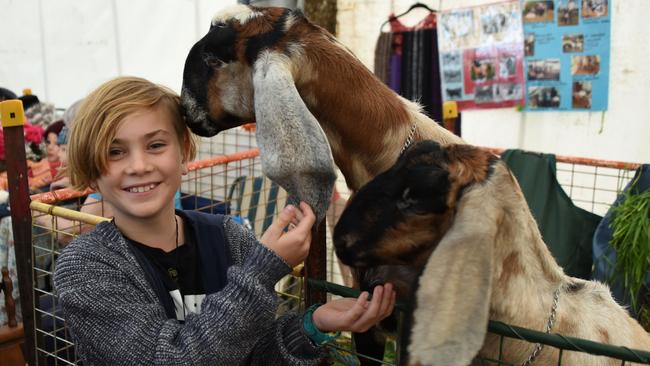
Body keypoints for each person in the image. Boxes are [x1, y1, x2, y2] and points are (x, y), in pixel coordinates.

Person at [53, 76, 395, 365]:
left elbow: (252, 353)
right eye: (115, 152)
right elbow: (169, 359)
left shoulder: (230, 239)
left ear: (184, 151)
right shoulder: (86, 266)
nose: (139, 165)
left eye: (156, 145)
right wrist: (261, 271)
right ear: (92, 173)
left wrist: (311, 325)